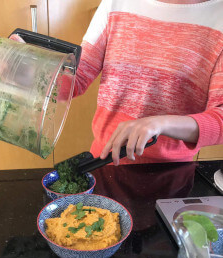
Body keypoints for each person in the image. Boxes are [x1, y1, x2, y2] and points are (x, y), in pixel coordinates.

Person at [71, 0, 223, 165]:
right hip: (102, 162)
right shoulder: (115, 3)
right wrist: (44, 72)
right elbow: (76, 78)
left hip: (169, 174)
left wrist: (161, 123)